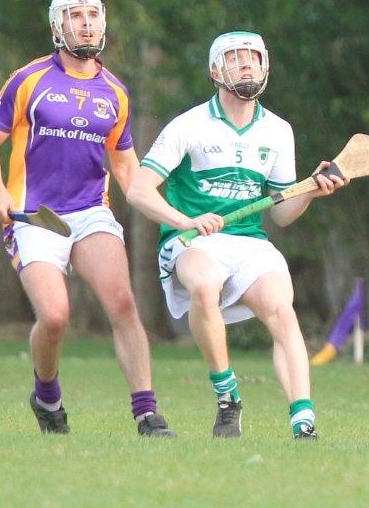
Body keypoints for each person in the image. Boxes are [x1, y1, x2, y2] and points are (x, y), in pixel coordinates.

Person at [127, 31, 346, 439]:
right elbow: (139, 190)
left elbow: (281, 214)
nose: (247, 64)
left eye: (254, 57)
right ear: (215, 71)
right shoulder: (188, 125)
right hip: (192, 241)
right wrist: (184, 221)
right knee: (205, 285)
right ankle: (227, 396)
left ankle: (303, 421)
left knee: (282, 311)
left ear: (266, 67)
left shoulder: (278, 130)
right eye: (235, 57)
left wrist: (310, 191)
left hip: (249, 243)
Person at [0, 0, 174, 436]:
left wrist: (172, 214)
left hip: (90, 213)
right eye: (75, 16)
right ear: (56, 26)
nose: (86, 23)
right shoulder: (28, 80)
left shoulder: (115, 93)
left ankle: (147, 414)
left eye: (92, 15)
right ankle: (46, 393)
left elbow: (127, 168)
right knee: (55, 316)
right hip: (34, 215)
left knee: (123, 303)